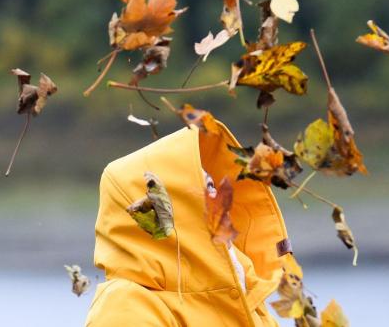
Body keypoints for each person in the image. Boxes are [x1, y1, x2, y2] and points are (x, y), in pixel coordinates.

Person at [85, 121, 291, 326]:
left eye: (213, 185)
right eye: (206, 187)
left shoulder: (248, 297)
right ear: (174, 206)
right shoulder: (126, 306)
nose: (220, 196)